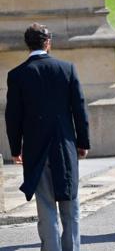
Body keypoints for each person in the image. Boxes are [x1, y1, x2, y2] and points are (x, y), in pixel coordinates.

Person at [5, 23, 90, 250]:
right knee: (70, 205)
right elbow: (79, 109)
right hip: (65, 145)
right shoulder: (67, 69)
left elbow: (13, 117)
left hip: (35, 148)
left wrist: (15, 149)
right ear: (48, 42)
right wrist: (83, 142)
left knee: (46, 206)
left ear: (27, 44)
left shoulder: (17, 75)